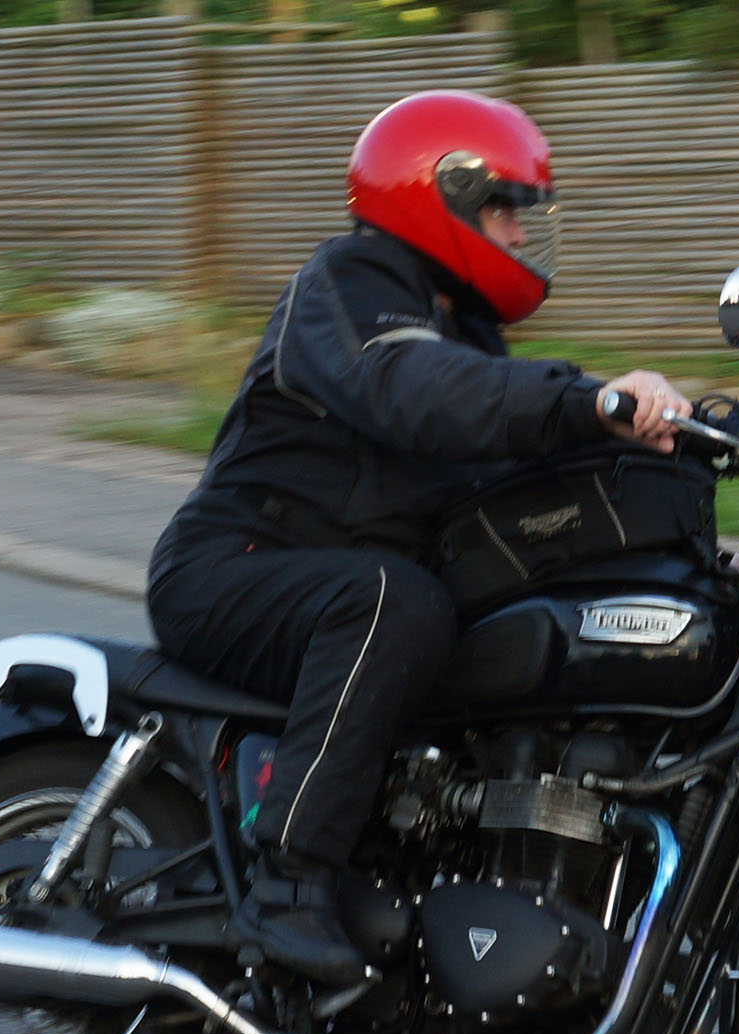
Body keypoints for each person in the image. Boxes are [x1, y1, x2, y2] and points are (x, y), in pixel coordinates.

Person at [146, 89, 693, 985]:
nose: (518, 233)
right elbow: (414, 389)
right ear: (439, 199)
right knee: (395, 602)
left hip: (328, 578)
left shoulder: (463, 330)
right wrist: (587, 398)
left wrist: (682, 481)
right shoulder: (348, 286)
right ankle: (287, 885)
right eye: (502, 211)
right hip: (234, 567)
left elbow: (509, 462)